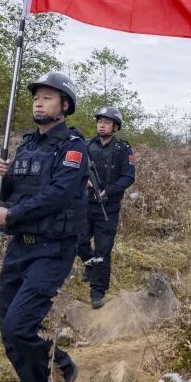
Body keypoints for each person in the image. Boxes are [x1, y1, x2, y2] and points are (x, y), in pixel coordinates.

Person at [0, 71, 86, 382]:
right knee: (10, 335)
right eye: (36, 97)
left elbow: (58, 195)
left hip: (53, 249)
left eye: (47, 97)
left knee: (19, 325)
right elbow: (10, 196)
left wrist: (10, 214)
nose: (38, 102)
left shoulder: (74, 147)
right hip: (20, 249)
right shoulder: (27, 146)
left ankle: (61, 364)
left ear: (64, 106)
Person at [77, 106, 135, 309]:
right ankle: (89, 265)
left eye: (107, 122)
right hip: (85, 204)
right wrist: (84, 181)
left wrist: (108, 192)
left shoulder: (123, 148)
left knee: (103, 248)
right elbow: (76, 169)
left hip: (108, 207)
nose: (101, 125)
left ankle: (97, 291)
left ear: (115, 126)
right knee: (79, 242)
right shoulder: (87, 146)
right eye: (99, 121)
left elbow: (129, 176)